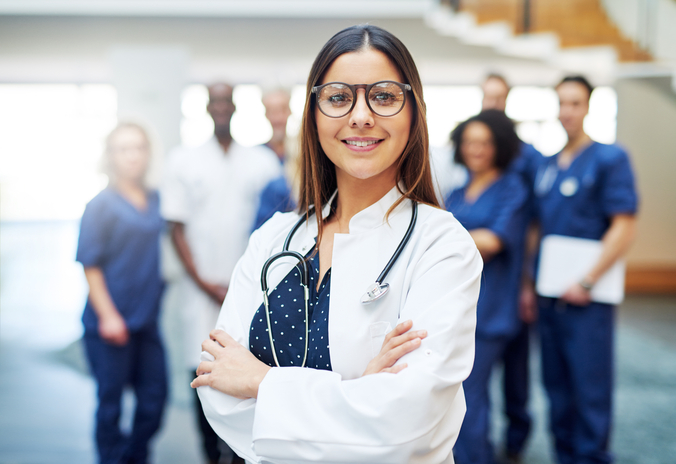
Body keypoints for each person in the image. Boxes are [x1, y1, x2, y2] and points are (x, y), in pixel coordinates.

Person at [190, 24, 483, 464]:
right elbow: (219, 390)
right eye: (338, 97)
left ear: (413, 113)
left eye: (383, 96)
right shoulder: (273, 237)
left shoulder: (442, 247)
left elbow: (407, 423)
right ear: (313, 114)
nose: (361, 115)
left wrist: (261, 384)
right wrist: (356, 394)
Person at [161, 83, 281, 464]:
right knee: (201, 370)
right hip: (202, 289)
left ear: (235, 107)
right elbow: (175, 227)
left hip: (252, 287)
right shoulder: (182, 160)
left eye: (227, 101)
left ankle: (242, 453)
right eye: (214, 102)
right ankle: (209, 454)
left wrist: (243, 283)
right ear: (206, 109)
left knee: (250, 367)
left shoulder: (261, 162)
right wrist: (204, 282)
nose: (221, 108)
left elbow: (277, 226)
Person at [533, 75, 638, 464]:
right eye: (561, 103)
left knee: (589, 386)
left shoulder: (611, 159)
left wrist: (588, 279)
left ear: (589, 106)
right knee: (555, 386)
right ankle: (564, 455)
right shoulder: (547, 166)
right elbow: (537, 229)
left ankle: (591, 457)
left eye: (575, 103)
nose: (567, 112)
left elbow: (624, 226)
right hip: (550, 295)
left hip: (587, 297)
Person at [77, 123, 167, 464]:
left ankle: (133, 458)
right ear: (110, 156)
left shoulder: (156, 198)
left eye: (139, 147)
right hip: (110, 322)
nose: (132, 155)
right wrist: (109, 315)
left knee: (154, 399)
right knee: (111, 403)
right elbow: (90, 265)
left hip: (146, 320)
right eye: (123, 148)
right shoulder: (100, 205)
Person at [445, 110, 528, 464]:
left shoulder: (512, 188)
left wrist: (441, 240)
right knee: (460, 393)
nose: (475, 150)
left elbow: (493, 240)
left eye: (484, 143)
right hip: (457, 305)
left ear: (499, 147)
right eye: (469, 143)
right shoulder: (457, 192)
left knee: (471, 392)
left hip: (492, 307)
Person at [480, 73, 542, 463]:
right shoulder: (475, 150)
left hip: (514, 275)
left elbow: (533, 223)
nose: (493, 104)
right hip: (484, 285)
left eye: (499, 97)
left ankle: (517, 442)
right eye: (487, 97)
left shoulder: (526, 158)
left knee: (517, 375)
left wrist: (527, 282)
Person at [253, 88, 297, 231]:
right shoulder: (255, 156)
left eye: (282, 110)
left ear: (290, 111)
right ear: (266, 114)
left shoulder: (303, 155)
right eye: (272, 111)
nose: (278, 118)